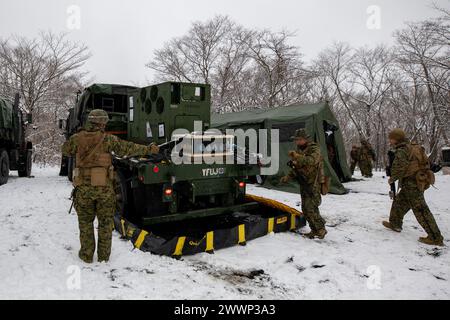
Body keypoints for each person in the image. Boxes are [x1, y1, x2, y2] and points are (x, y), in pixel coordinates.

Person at [62, 109, 160, 263]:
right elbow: (129, 148)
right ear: (102, 123)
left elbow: (66, 150)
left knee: (85, 224)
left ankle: (86, 256)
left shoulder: (77, 138)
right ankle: (103, 257)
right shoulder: (109, 140)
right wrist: (148, 149)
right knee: (105, 224)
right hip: (104, 191)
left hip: (83, 190)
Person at [382, 128, 444, 246]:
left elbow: (399, 168)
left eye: (391, 138)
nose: (389, 140)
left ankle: (435, 237)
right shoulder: (412, 147)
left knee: (420, 210)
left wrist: (392, 178)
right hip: (414, 181)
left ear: (396, 139)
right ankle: (395, 224)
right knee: (399, 202)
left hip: (412, 183)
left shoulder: (402, 150)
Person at [280, 129, 327, 239]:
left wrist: (296, 156)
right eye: (295, 140)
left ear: (305, 139)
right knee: (305, 208)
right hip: (304, 181)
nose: (296, 142)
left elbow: (311, 160)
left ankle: (320, 229)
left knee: (311, 207)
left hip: (313, 183)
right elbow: (296, 167)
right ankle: (315, 229)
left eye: (298, 140)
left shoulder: (314, 148)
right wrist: (288, 177)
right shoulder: (299, 149)